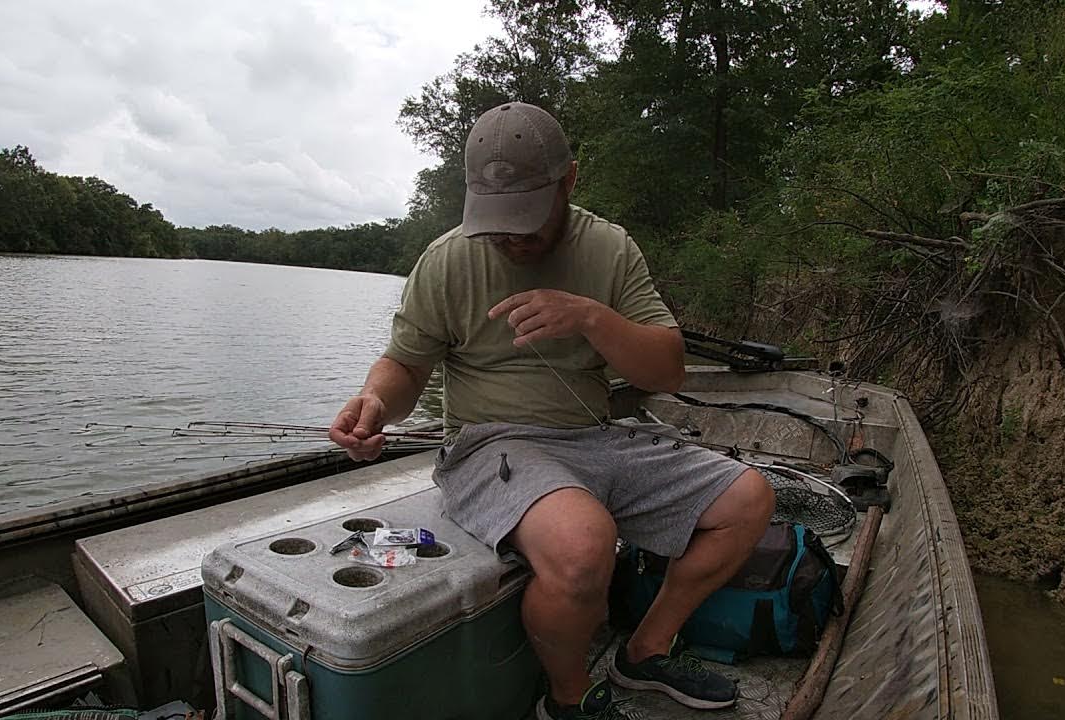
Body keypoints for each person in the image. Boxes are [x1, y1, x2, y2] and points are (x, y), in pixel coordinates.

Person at [329, 102, 774, 719]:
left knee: (750, 499)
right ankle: (568, 701)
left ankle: (644, 651)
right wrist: (378, 400)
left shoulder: (610, 249)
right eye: (496, 220)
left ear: (569, 180)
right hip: (490, 447)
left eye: (527, 219)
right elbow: (404, 366)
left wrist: (592, 317)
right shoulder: (447, 259)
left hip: (595, 436)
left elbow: (666, 370)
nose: (512, 237)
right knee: (583, 543)